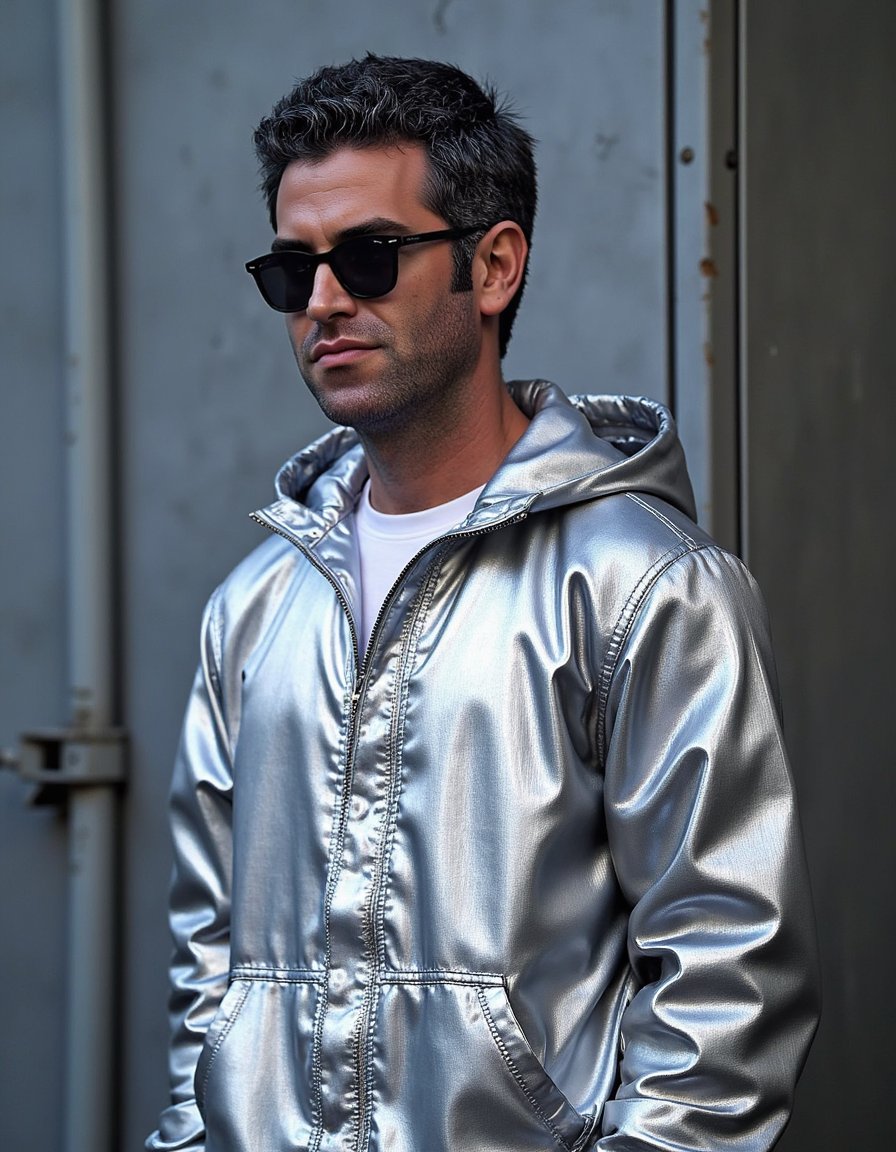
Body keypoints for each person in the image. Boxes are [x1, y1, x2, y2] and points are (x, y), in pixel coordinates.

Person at [148, 54, 819, 1152]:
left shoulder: (642, 587)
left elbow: (724, 986)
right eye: (290, 270)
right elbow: (204, 973)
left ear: (492, 264)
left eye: (366, 258)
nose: (322, 303)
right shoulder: (254, 609)